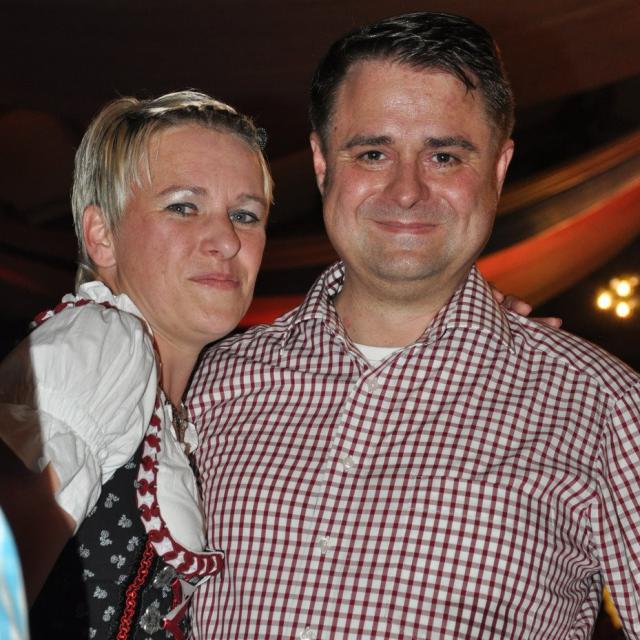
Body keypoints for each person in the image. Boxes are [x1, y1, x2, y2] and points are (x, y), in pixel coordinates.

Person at [188, 12, 640, 639]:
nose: (406, 191)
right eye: (373, 153)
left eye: (445, 156)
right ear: (321, 163)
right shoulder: (203, 388)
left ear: (499, 168)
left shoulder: (602, 407)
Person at [0, 90, 271, 639]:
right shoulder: (103, 343)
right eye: (182, 207)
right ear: (102, 236)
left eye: (245, 214)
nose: (225, 240)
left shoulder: (177, 404)